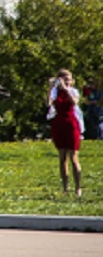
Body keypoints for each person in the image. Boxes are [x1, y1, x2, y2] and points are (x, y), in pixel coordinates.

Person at [48, 68, 83, 198]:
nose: (67, 82)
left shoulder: (73, 91)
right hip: (59, 123)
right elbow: (48, 103)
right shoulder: (55, 92)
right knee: (62, 157)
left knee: (73, 157)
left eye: (69, 79)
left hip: (71, 124)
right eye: (64, 79)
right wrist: (50, 88)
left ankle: (78, 188)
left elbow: (74, 102)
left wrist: (66, 89)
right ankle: (65, 187)